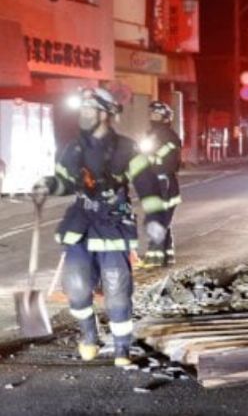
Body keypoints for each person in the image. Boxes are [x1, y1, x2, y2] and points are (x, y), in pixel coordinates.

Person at [32, 88, 171, 366]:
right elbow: (67, 182)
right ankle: (88, 335)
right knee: (76, 284)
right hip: (81, 222)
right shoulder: (73, 148)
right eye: (81, 110)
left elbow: (147, 187)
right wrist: (48, 184)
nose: (83, 115)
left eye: (89, 110)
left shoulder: (127, 148)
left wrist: (155, 220)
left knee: (117, 288)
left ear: (106, 114)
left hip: (113, 224)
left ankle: (122, 347)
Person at [139, 101, 182, 268]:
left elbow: (169, 163)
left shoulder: (169, 137)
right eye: (152, 114)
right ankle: (166, 256)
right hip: (157, 183)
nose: (153, 118)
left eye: (157, 115)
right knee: (163, 220)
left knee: (157, 220)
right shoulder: (151, 135)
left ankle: (154, 257)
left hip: (164, 184)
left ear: (165, 118)